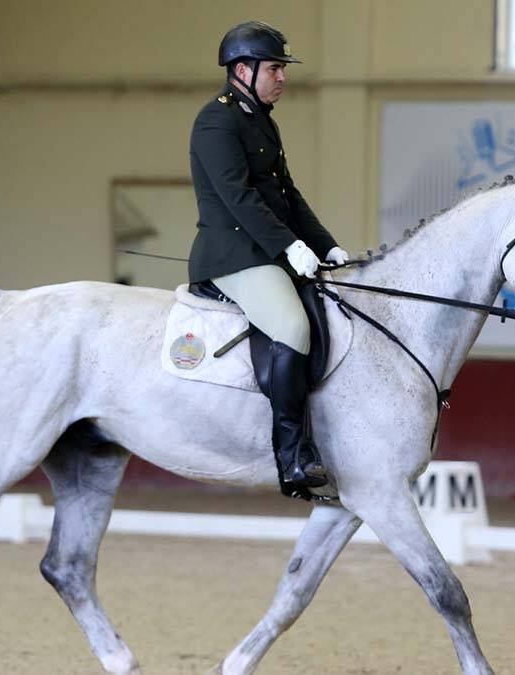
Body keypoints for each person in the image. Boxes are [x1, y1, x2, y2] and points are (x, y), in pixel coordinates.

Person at [187, 20, 350, 494]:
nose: (283, 77)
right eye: (275, 68)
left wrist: (324, 244)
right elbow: (238, 197)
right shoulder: (216, 120)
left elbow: (288, 195)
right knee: (292, 327)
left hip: (267, 252)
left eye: (282, 68)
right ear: (243, 69)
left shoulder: (262, 121)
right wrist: (288, 246)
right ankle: (292, 455)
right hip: (234, 256)